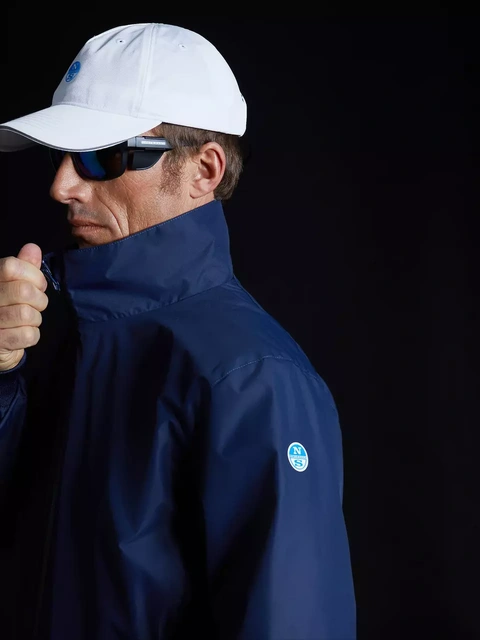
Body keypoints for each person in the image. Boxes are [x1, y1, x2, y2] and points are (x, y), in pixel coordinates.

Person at [0, 22, 356, 640]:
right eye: (60, 155)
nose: (62, 186)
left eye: (102, 155)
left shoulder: (252, 378)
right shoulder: (40, 330)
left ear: (204, 170)